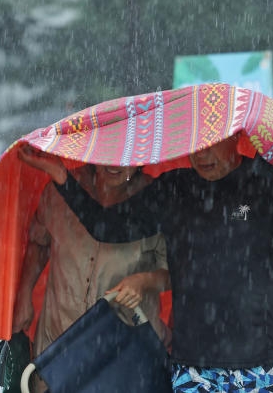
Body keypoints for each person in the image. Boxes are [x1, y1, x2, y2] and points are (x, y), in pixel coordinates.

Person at [19, 133, 273, 393]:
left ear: (236, 136)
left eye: (212, 143)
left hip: (264, 364)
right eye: (195, 143)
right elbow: (106, 226)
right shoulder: (174, 188)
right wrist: (60, 175)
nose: (202, 154)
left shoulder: (265, 184)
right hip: (193, 367)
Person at [11, 152, 171, 392]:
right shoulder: (60, 187)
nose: (113, 162)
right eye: (108, 149)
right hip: (59, 341)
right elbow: (39, 241)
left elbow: (174, 273)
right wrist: (24, 295)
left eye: (124, 152)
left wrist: (143, 281)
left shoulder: (157, 198)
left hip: (122, 352)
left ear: (141, 152)